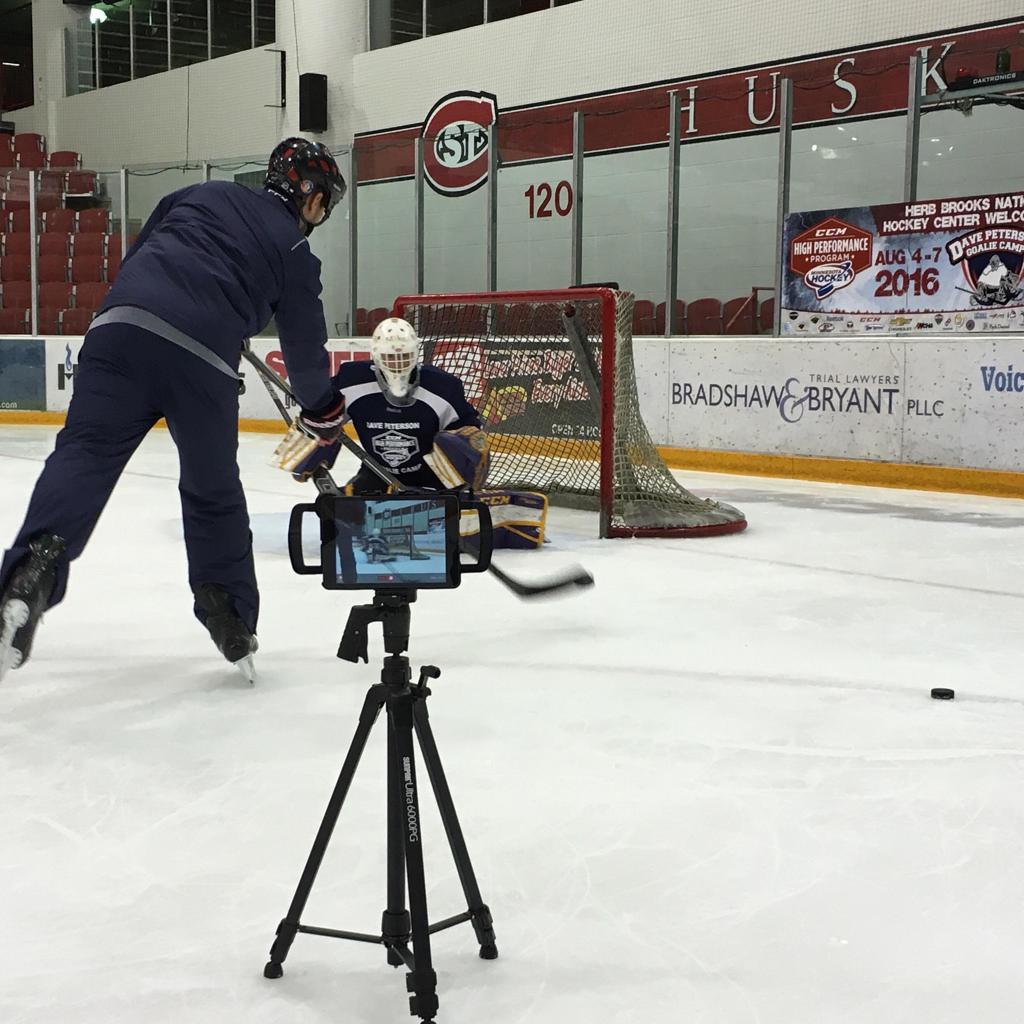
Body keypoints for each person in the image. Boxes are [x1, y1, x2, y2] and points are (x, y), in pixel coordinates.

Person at [0, 137, 348, 683]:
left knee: (85, 455)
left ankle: (30, 571)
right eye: (324, 202)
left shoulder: (201, 193)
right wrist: (325, 410)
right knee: (212, 490)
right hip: (201, 359)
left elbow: (138, 258)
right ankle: (227, 612)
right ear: (309, 196)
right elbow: (305, 356)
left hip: (119, 329)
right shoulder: (296, 252)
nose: (320, 214)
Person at [284, 317, 490, 496]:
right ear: (376, 355)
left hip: (432, 477)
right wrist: (307, 444)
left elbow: (471, 436)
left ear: (415, 354)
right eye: (390, 357)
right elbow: (323, 416)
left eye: (404, 357)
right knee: (338, 511)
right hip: (377, 472)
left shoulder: (443, 387)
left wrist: (465, 461)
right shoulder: (351, 380)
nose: (397, 364)